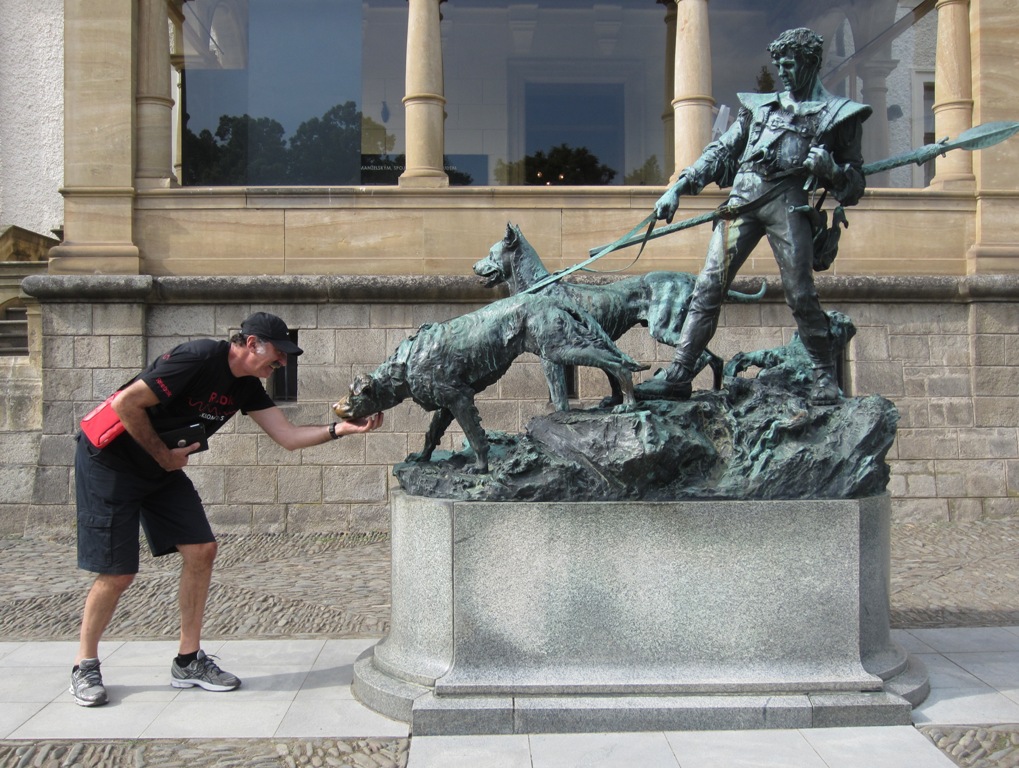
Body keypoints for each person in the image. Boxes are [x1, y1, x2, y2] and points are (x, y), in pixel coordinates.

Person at [69, 312, 384, 707]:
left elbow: (285, 436)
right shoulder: (198, 357)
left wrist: (342, 429)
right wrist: (165, 456)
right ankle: (85, 664)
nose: (282, 363)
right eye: (278, 354)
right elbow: (126, 404)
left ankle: (188, 661)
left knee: (202, 549)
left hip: (161, 465)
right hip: (109, 461)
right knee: (118, 572)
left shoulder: (247, 387)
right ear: (252, 343)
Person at [636, 28, 871, 406]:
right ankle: (680, 373)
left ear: (811, 63)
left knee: (800, 293)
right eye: (778, 65)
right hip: (741, 201)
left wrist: (832, 171)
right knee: (708, 287)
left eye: (790, 65)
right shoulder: (759, 107)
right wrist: (678, 188)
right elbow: (721, 151)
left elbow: (854, 187)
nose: (783, 73)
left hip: (787, 204)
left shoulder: (839, 116)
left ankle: (825, 375)